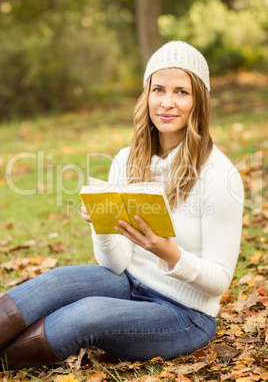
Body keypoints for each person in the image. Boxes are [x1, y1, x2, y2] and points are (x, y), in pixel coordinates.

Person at [0, 41, 244, 371]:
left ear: (198, 100)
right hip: (128, 282)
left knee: (86, 314)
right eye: (158, 89)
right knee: (53, 284)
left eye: (181, 92)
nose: (167, 103)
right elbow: (115, 264)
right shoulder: (127, 160)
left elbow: (220, 281)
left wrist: (167, 252)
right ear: (147, 95)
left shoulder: (219, 174)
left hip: (186, 315)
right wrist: (101, 226)